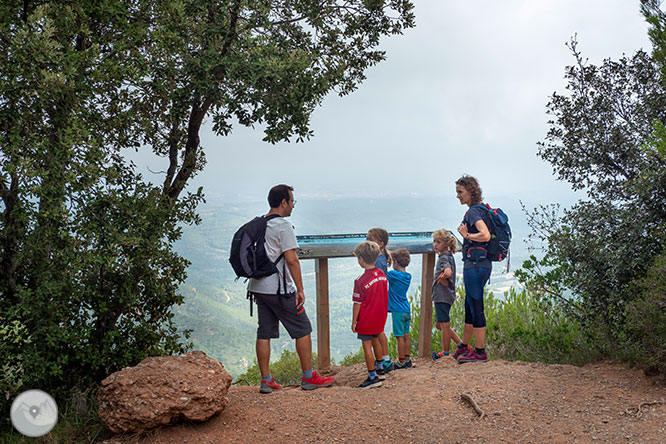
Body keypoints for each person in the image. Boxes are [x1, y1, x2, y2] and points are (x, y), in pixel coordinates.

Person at [248, 184, 334, 392]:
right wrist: (301, 289)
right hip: (278, 288)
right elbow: (292, 260)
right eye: (292, 201)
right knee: (303, 329)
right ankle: (308, 377)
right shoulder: (283, 226)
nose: (293, 206)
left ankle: (266, 379)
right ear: (283, 202)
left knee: (264, 332)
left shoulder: (259, 223)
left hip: (258, 286)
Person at [453, 175, 492, 363]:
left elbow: (485, 235)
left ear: (471, 191)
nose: (458, 196)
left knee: (476, 306)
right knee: (469, 304)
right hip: (480, 264)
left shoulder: (474, 212)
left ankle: (480, 351)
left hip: (475, 265)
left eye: (460, 192)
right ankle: (464, 346)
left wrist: (466, 235)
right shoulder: (481, 210)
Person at [351, 240, 389, 388]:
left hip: (366, 318)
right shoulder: (381, 275)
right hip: (380, 316)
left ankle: (372, 377)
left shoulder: (360, 280)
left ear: (361, 259)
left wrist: (354, 321)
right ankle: (380, 370)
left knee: (367, 346)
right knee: (376, 340)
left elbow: (357, 303)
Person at [430, 229, 468, 360]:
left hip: (442, 296)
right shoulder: (448, 256)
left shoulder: (443, 258)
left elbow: (448, 272)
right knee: (438, 324)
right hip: (445, 295)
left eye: (438, 242)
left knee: (444, 324)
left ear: (446, 244)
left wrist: (442, 278)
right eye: (434, 241)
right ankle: (462, 345)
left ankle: (445, 352)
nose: (435, 244)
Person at [365, 228, 394, 372]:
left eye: (371, 240)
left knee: (379, 330)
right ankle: (383, 359)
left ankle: (385, 359)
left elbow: (378, 280)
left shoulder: (379, 261)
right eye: (367, 239)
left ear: (381, 244)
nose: (368, 242)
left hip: (377, 300)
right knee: (378, 330)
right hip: (379, 299)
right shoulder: (380, 258)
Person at [386, 248, 412, 369]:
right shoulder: (408, 276)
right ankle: (407, 358)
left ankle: (401, 361)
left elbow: (383, 272)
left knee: (399, 337)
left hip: (397, 311)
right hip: (406, 309)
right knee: (406, 335)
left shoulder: (393, 275)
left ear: (395, 261)